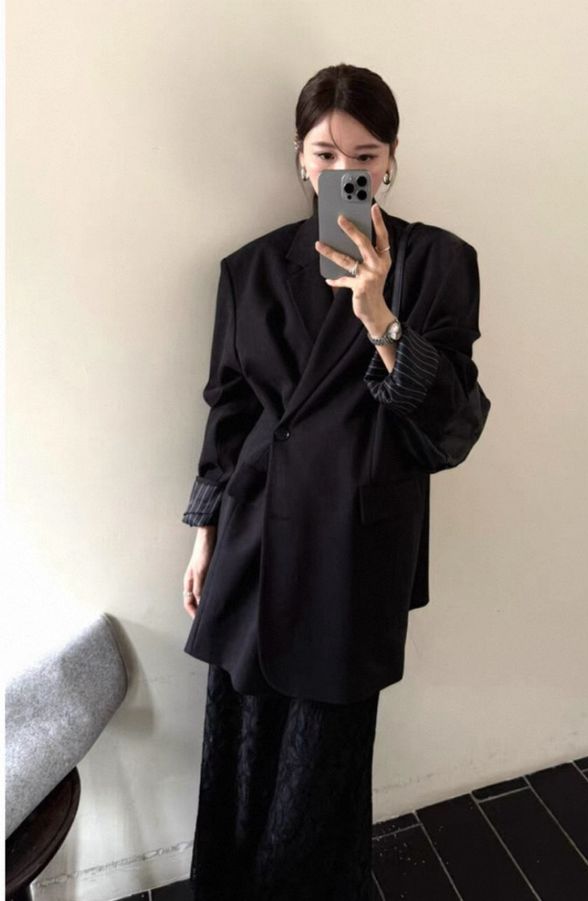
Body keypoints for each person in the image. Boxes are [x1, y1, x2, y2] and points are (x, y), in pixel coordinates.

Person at [180, 63, 491, 901]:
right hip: (253, 537)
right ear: (298, 157)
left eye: (365, 154)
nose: (343, 170)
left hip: (352, 547)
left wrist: (380, 317)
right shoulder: (249, 269)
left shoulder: (436, 261)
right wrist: (204, 535)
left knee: (322, 772)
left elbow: (454, 425)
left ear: (391, 161)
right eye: (325, 153)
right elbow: (228, 413)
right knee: (237, 752)